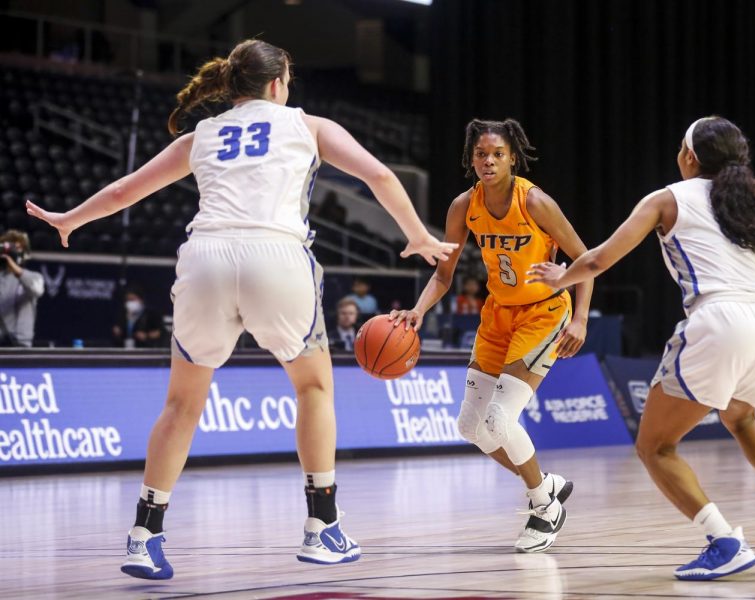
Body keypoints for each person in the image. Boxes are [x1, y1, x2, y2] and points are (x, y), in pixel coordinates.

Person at [26, 39, 455, 580]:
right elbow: (381, 177)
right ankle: (323, 525)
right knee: (314, 387)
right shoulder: (310, 126)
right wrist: (416, 235)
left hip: (204, 256)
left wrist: (70, 220)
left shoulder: (199, 134)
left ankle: (144, 533)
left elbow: (123, 192)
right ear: (278, 84)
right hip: (275, 254)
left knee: (182, 404)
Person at [528, 116, 755, 580]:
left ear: (689, 157)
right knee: (742, 417)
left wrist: (562, 276)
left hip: (720, 319)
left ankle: (725, 540)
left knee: (654, 446)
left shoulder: (666, 199)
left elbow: (597, 259)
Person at [390, 118, 594, 552]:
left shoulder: (535, 201)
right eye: (481, 154)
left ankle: (544, 506)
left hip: (543, 313)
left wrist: (580, 320)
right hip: (498, 314)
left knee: (501, 420)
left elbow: (585, 260)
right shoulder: (464, 206)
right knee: (470, 426)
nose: (488, 161)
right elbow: (443, 275)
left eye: (497, 154)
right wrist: (418, 310)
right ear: (471, 159)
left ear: (512, 158)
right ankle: (547, 483)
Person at [0, 230, 45, 347]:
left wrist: (14, 267)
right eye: (9, 248)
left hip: (21, 345)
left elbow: (37, 290)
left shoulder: (34, 277)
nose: (12, 253)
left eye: (17, 248)